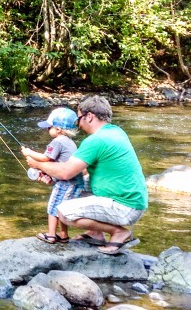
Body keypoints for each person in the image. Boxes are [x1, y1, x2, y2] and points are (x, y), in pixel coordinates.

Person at [22, 95, 147, 255]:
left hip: (124, 206)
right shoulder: (115, 131)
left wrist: (38, 164)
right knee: (73, 186)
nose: (77, 124)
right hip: (132, 201)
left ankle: (119, 232)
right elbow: (79, 172)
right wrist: (52, 176)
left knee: (63, 212)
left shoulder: (96, 140)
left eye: (79, 119)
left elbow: (66, 172)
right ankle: (95, 233)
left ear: (89, 116)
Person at [20, 107, 86, 244]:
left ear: (58, 129)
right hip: (75, 182)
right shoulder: (69, 142)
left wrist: (29, 152)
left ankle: (51, 235)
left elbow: (45, 158)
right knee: (63, 209)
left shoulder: (58, 141)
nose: (47, 130)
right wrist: (49, 176)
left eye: (48, 127)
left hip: (67, 183)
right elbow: (57, 162)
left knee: (53, 207)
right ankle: (63, 235)